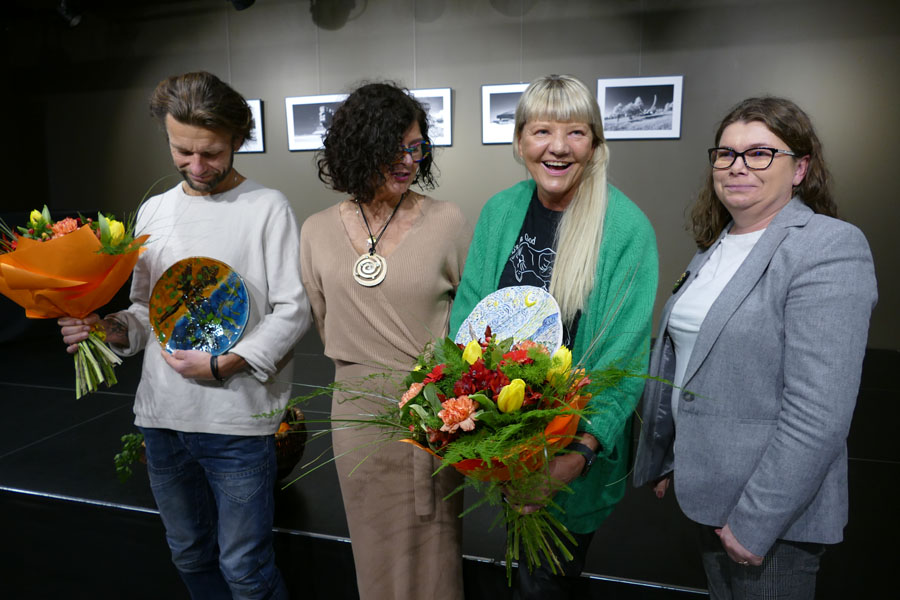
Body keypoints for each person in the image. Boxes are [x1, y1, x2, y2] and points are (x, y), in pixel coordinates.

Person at [58, 71, 311, 600]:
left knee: (246, 569)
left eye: (211, 153)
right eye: (182, 151)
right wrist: (105, 327)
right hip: (162, 420)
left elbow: (294, 309)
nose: (197, 166)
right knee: (189, 554)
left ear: (237, 139)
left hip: (238, 423)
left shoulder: (268, 208)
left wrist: (226, 363)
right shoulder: (155, 210)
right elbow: (145, 311)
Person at [633, 97, 878, 599]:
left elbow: (819, 413)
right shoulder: (715, 246)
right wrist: (671, 456)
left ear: (800, 169)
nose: (738, 166)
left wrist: (756, 520)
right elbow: (694, 365)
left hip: (772, 517)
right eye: (726, 153)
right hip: (707, 494)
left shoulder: (828, 247)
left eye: (760, 153)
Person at [448, 74, 658, 599]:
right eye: (542, 131)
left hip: (572, 458)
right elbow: (468, 316)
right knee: (525, 576)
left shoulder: (625, 229)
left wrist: (576, 455)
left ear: (596, 143)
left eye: (576, 132)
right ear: (520, 141)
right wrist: (477, 418)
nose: (558, 147)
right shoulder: (500, 212)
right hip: (506, 444)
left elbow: (625, 356)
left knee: (544, 584)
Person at [300, 82, 471, 600]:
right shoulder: (316, 231)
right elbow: (325, 321)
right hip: (356, 416)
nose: (408, 161)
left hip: (431, 414)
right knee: (372, 549)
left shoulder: (447, 221)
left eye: (416, 147)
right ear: (358, 148)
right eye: (393, 148)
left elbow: (470, 320)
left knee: (435, 552)